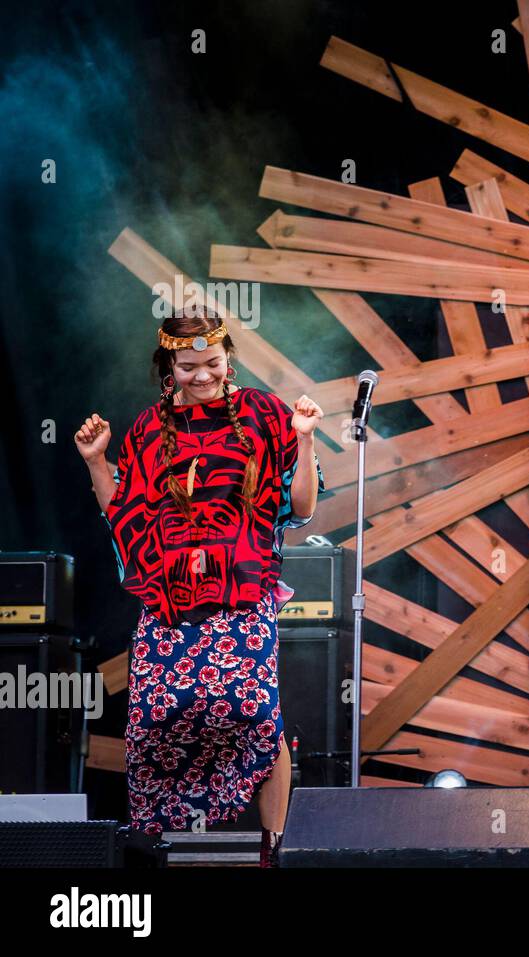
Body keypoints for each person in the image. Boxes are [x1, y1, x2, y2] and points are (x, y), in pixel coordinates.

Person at [75, 307, 325, 866]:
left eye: (213, 363)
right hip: (171, 603)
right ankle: (154, 845)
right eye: (189, 367)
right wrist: (98, 463)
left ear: (229, 358)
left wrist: (305, 441)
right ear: (170, 366)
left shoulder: (265, 413)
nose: (204, 375)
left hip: (242, 594)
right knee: (152, 723)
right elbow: (125, 513)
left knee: (259, 717)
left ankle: (274, 849)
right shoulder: (146, 428)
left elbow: (302, 507)